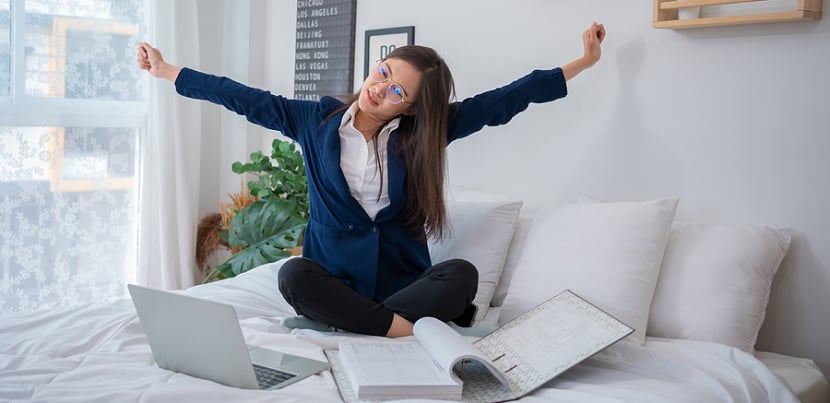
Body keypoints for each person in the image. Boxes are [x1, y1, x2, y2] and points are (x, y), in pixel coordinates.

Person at [138, 21, 606, 338]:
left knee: (462, 274)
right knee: (293, 273)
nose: (379, 89)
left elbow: (505, 100)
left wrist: (582, 62)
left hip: (402, 287)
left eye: (397, 90)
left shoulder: (425, 133)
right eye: (383, 73)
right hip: (334, 283)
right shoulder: (313, 121)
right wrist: (167, 71)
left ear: (411, 107)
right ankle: (401, 332)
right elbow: (241, 97)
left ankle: (367, 326)